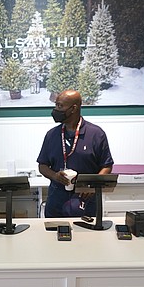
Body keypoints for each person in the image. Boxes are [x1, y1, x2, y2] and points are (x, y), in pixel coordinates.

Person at [37, 89, 114, 217]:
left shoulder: (96, 134)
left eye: (60, 106)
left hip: (86, 200)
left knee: (87, 236)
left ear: (73, 109)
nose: (56, 110)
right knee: (53, 235)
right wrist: (55, 176)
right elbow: (42, 166)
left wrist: (92, 187)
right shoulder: (52, 135)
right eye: (56, 105)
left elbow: (107, 166)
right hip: (56, 199)